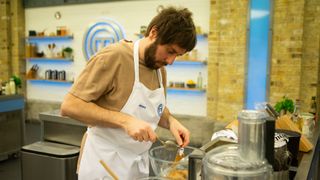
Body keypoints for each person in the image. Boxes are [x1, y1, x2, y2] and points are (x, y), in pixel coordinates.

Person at [60, 6, 197, 180]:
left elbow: (153, 108)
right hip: (105, 163)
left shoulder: (159, 68)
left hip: (137, 165)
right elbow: (70, 105)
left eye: (178, 55)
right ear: (154, 33)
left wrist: (170, 121)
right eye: (170, 51)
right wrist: (125, 121)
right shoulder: (114, 57)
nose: (170, 61)